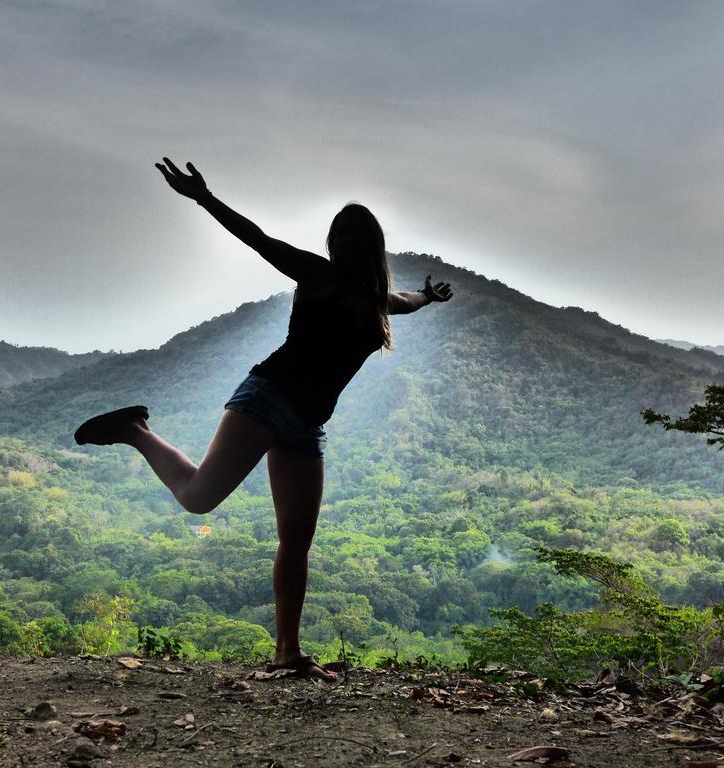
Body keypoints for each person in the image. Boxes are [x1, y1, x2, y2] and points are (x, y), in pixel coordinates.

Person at [74, 158, 453, 680]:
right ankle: (134, 429)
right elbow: (257, 239)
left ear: (369, 244)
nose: (341, 243)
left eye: (350, 235)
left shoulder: (376, 300)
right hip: (267, 396)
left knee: (296, 539)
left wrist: (428, 298)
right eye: (336, 234)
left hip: (307, 425)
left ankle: (287, 652)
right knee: (198, 497)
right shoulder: (317, 275)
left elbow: (404, 301)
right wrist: (205, 199)